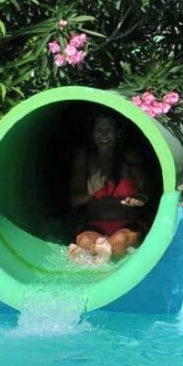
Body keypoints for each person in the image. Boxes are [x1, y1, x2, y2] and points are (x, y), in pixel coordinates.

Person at [67, 113, 149, 266]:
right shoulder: (83, 157)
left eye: (109, 129)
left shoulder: (129, 156)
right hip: (94, 224)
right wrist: (91, 192)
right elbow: (74, 200)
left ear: (118, 133)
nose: (103, 133)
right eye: (99, 129)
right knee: (85, 242)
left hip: (128, 224)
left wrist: (140, 200)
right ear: (92, 133)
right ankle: (97, 255)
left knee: (118, 242)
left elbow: (147, 192)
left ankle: (100, 254)